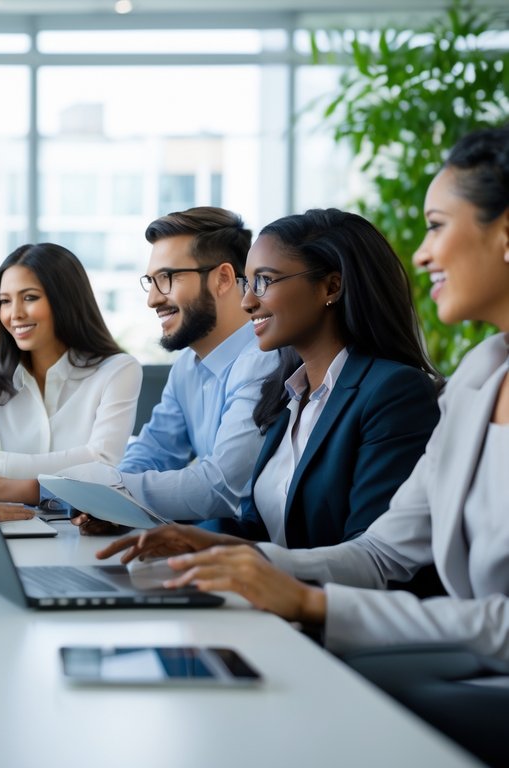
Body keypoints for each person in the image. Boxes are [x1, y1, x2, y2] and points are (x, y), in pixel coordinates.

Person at [97, 126, 509, 766]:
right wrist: (218, 549)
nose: (423, 253)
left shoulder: (397, 392)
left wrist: (304, 598)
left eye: (436, 225)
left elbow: (399, 582)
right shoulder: (479, 379)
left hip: (458, 660)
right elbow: (377, 554)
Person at [131, 209, 443, 549]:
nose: (247, 301)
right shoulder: (285, 394)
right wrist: (192, 543)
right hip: (265, 596)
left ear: (331, 285)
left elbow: (376, 555)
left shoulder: (393, 391)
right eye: (248, 283)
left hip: (328, 600)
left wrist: (259, 565)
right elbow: (262, 527)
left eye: (263, 281)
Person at [52, 207, 278, 529]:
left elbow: (220, 487)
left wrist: (114, 489)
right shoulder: (187, 366)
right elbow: (154, 450)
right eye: (151, 281)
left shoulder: (263, 360)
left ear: (223, 278)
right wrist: (111, 504)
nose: (153, 299)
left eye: (167, 279)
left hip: (253, 559)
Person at [0, 242, 140, 505]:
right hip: (17, 528)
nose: (15, 314)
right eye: (5, 301)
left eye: (30, 297)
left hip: (88, 529)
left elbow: (100, 463)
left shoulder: (117, 370)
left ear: (65, 300)